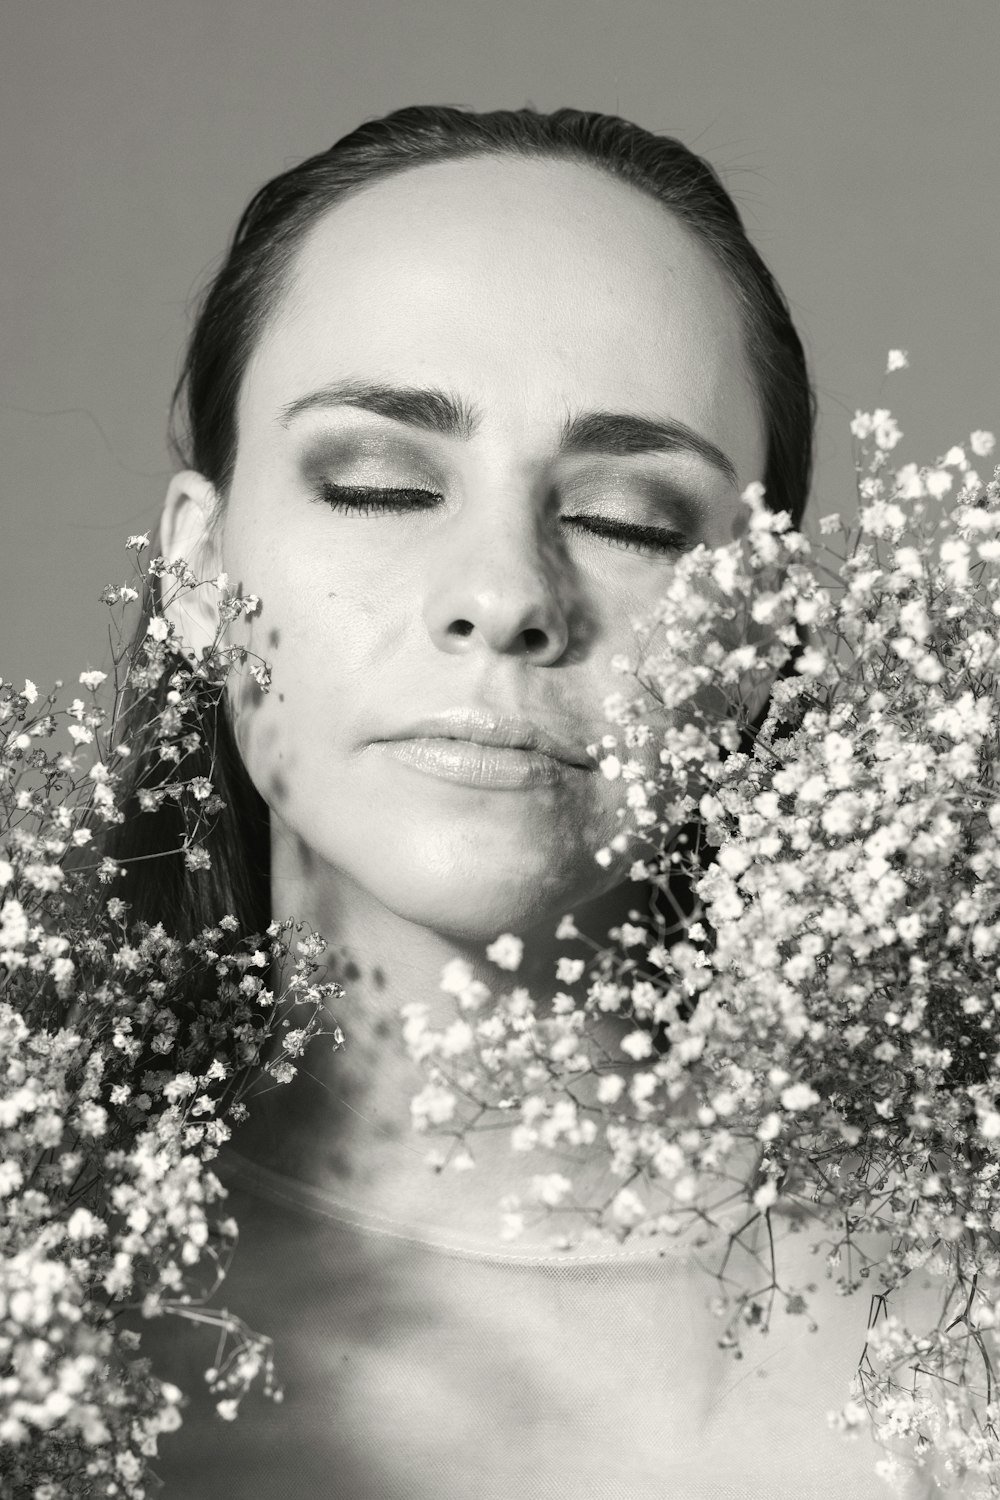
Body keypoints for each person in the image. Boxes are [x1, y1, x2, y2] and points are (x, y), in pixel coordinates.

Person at [119, 105, 931, 1498]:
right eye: (377, 484)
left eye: (631, 520)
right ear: (196, 570)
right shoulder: (46, 1273)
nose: (504, 597)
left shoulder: (948, 1331)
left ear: (765, 640)